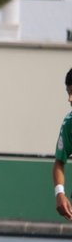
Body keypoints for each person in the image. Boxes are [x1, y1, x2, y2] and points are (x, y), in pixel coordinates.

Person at [52, 67, 72, 220]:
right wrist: (59, 192)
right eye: (68, 93)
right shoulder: (69, 124)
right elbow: (59, 162)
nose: (69, 99)